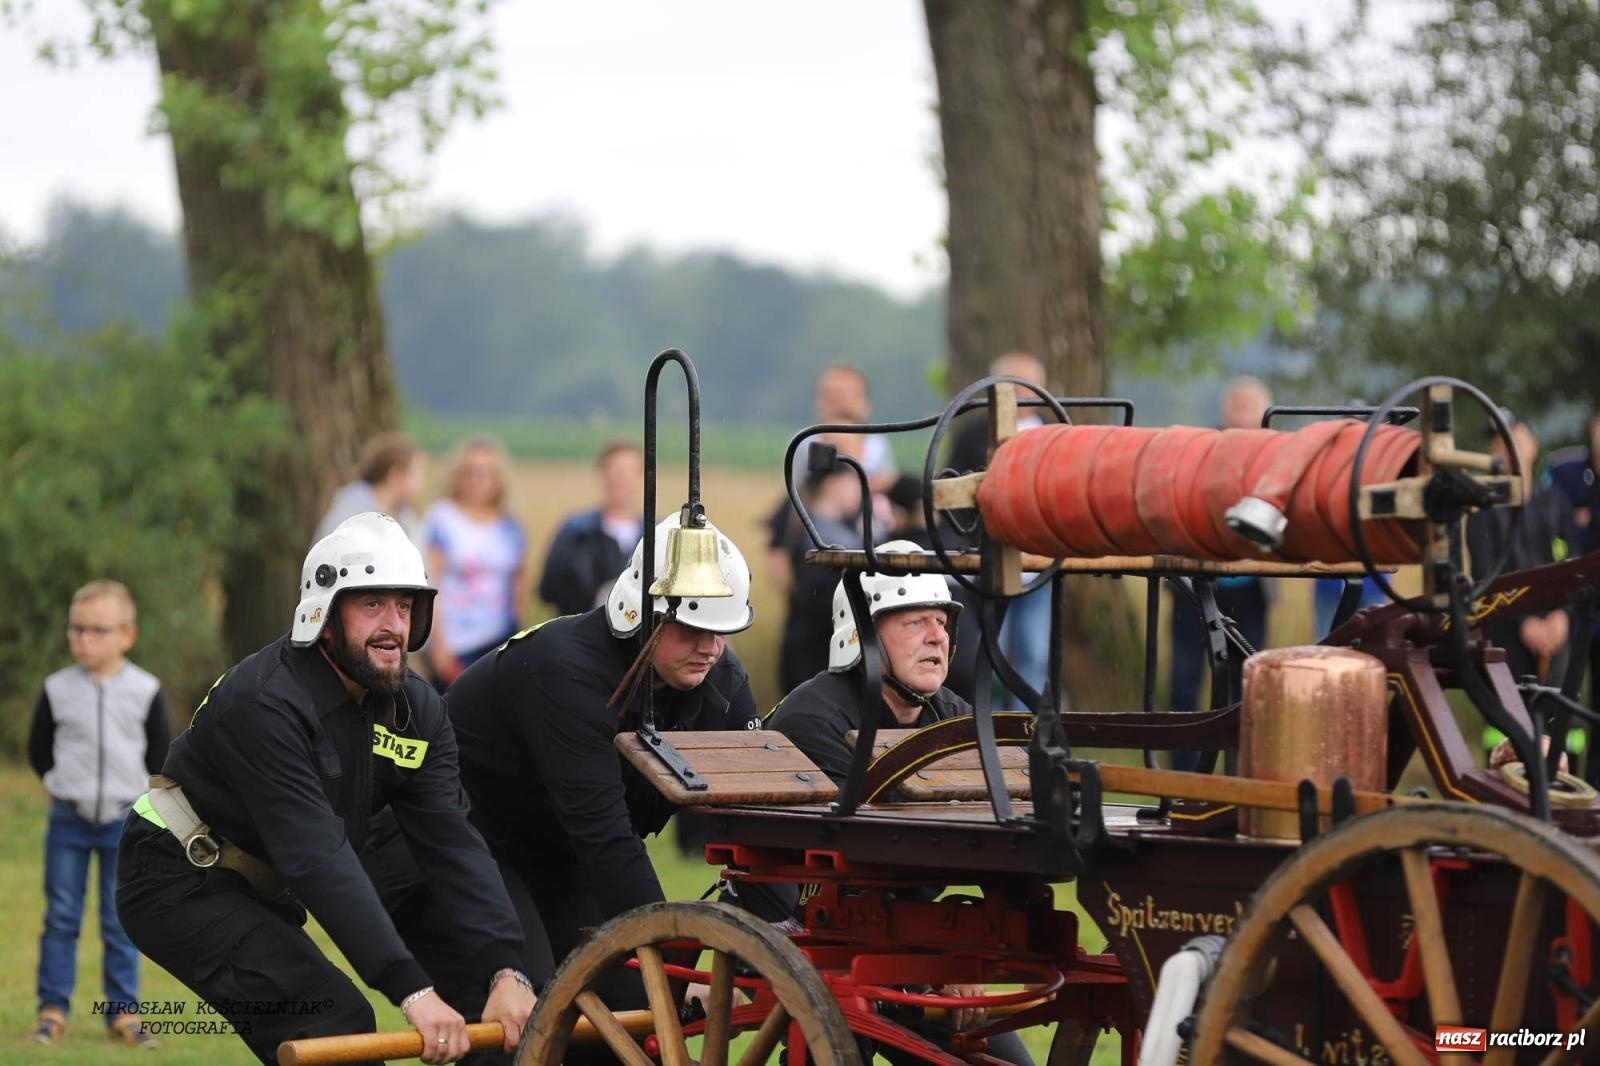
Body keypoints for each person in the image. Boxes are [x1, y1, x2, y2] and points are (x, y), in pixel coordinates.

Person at [115, 514, 535, 1065]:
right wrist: (412, 990)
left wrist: (505, 969)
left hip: (261, 880)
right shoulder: (266, 704)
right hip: (176, 874)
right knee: (331, 1023)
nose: (393, 626)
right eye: (372, 605)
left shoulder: (420, 710)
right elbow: (316, 855)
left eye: (405, 607)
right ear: (324, 617)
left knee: (336, 1022)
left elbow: (452, 843)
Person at [446, 511, 759, 993]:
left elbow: (760, 814)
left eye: (723, 631)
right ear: (640, 612)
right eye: (693, 629)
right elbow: (607, 840)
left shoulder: (722, 678)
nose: (711, 648)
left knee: (623, 1004)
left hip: (560, 853)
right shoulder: (565, 673)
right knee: (525, 1007)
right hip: (460, 841)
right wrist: (679, 975)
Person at [761, 546, 1033, 1066]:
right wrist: (939, 962)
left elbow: (1002, 837)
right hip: (807, 936)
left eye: (942, 621)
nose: (937, 636)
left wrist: (976, 950)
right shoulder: (813, 721)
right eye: (914, 622)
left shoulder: (952, 715)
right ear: (860, 635)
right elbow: (864, 864)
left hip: (905, 936)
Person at [27, 580, 171, 1049]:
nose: (84, 640)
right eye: (77, 629)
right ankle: (52, 1011)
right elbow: (39, 751)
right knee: (62, 916)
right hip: (68, 821)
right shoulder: (56, 689)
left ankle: (124, 1012)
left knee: (119, 917)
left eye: (97, 630)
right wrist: (60, 785)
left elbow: (160, 755)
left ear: (126, 635)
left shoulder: (146, 691)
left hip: (122, 823)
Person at [1168, 377, 1274, 733]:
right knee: (1185, 679)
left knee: (1245, 681)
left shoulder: (1280, 456)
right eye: (1237, 404)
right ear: (1224, 409)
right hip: (1196, 583)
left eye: (1250, 405)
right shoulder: (1199, 451)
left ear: (1265, 411)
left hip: (1253, 589)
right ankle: (1183, 772)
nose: (1242, 412)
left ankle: (1237, 767)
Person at [1467, 416, 1574, 685]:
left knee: (1563, 718)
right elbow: (1485, 576)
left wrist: (1562, 615)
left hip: (1557, 628)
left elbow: (1574, 563)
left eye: (1515, 437)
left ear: (1533, 445)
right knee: (1509, 717)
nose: (1509, 447)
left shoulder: (1556, 504)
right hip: (1505, 632)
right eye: (1500, 443)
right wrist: (1524, 624)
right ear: (1492, 454)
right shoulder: (1482, 514)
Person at [423, 437, 528, 689]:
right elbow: (430, 582)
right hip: (456, 645)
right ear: (457, 476)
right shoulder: (442, 519)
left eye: (486, 473)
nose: (477, 480)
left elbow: (519, 584)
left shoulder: (510, 527)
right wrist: (439, 646)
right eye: (470, 471)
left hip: (499, 642)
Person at [537, 440, 645, 618]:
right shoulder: (574, 533)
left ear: (642, 477)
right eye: (613, 468)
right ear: (602, 473)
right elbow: (549, 591)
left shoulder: (659, 537)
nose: (620, 477)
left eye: (628, 470)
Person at [313, 432, 428, 546]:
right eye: (417, 473)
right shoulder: (350, 512)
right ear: (395, 476)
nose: (422, 481)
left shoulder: (407, 517)